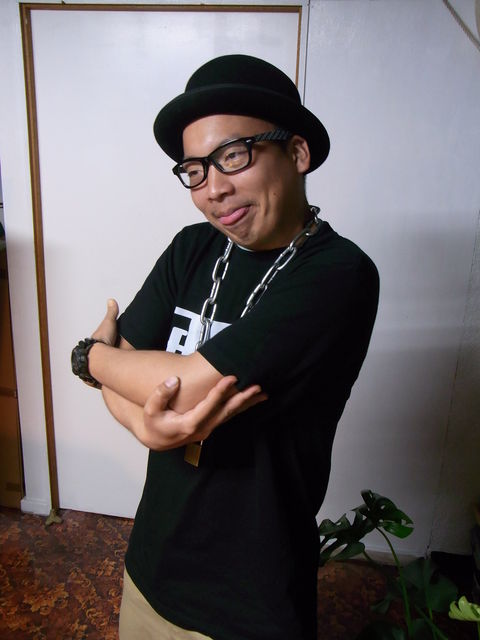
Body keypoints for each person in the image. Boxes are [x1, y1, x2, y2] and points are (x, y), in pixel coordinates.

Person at [71, 54, 379, 640]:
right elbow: (128, 371)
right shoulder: (192, 249)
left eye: (233, 156)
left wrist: (89, 356)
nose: (213, 189)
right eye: (194, 170)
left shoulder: (338, 273)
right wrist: (144, 423)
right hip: (149, 569)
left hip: (249, 602)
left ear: (297, 152)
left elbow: (188, 386)